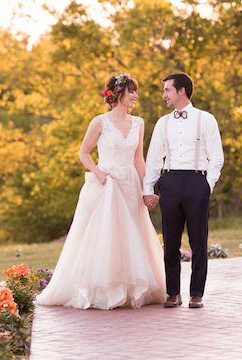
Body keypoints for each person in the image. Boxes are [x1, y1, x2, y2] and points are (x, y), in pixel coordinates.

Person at [35, 74, 166, 310]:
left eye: (135, 91)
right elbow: (83, 152)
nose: (135, 96)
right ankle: (105, 290)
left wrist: (147, 188)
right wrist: (97, 172)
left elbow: (139, 158)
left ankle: (130, 290)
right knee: (106, 234)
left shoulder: (138, 123)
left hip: (130, 182)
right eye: (131, 91)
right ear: (117, 95)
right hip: (106, 183)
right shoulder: (100, 122)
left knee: (133, 235)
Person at [143, 73, 224, 309]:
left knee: (199, 240)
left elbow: (216, 157)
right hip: (170, 181)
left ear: (181, 91)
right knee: (170, 241)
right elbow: (154, 157)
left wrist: (207, 185)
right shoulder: (163, 123)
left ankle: (196, 293)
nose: (164, 95)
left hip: (197, 181)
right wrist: (149, 188)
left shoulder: (205, 119)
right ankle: (173, 293)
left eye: (167, 90)